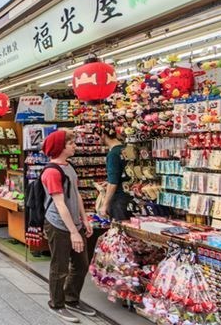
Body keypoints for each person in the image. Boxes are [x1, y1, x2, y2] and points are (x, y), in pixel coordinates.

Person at [40, 130, 97, 322]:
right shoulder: (51, 172)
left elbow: (76, 194)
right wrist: (73, 232)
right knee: (60, 266)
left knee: (81, 264)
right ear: (60, 147)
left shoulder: (69, 167)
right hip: (58, 225)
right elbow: (59, 203)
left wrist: (84, 219)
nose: (74, 145)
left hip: (75, 223)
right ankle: (56, 303)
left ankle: (72, 298)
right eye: (70, 143)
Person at [98, 126, 130, 221]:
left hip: (119, 200)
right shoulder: (125, 148)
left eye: (97, 137)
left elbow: (113, 183)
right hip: (130, 195)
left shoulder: (112, 155)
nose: (97, 141)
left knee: (120, 228)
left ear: (103, 135)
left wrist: (105, 205)